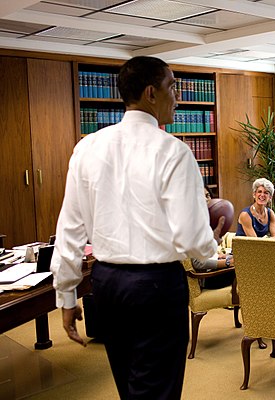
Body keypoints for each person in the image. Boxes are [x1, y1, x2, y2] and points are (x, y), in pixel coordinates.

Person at [50, 56, 222, 399]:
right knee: (156, 390)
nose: (179, 97)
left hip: (107, 284)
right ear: (151, 93)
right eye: (172, 86)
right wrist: (211, 253)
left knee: (129, 385)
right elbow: (192, 237)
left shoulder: (87, 148)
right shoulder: (174, 152)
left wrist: (66, 294)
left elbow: (69, 227)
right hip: (156, 286)